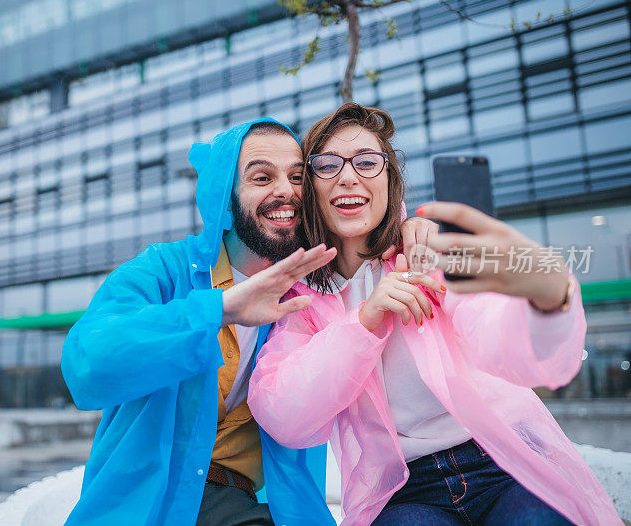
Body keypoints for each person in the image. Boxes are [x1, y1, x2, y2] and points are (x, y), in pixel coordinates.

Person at [248, 103, 622, 525]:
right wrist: (364, 321)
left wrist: (549, 301)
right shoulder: (304, 300)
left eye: (367, 162)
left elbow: (503, 338)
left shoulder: (428, 253)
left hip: (501, 460)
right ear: (311, 189)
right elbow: (283, 414)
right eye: (328, 165)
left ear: (390, 182)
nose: (348, 176)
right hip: (404, 490)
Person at [60, 117, 437, 525]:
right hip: (146, 507)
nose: (285, 191)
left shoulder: (312, 294)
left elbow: (363, 217)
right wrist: (220, 309)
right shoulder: (163, 271)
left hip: (250, 509)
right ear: (226, 192)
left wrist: (407, 228)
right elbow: (87, 365)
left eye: (297, 176)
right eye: (261, 177)